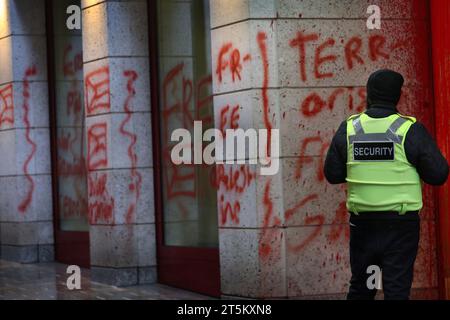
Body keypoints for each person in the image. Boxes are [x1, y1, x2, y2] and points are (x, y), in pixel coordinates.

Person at [323, 69, 449, 300]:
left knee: (362, 287)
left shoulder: (350, 128)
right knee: (396, 289)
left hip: (363, 226)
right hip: (400, 227)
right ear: (397, 96)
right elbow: (438, 174)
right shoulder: (409, 130)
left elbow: (332, 174)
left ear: (368, 94)